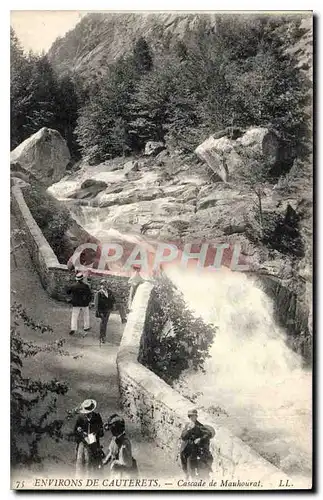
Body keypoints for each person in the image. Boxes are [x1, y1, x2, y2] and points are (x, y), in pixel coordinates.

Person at [180, 409, 215, 479]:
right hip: (186, 447)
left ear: (196, 417)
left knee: (191, 463)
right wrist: (188, 430)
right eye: (190, 416)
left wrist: (200, 439)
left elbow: (208, 434)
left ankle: (192, 477)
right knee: (183, 459)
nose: (192, 418)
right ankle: (186, 474)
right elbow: (183, 437)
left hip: (194, 448)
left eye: (194, 416)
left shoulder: (199, 426)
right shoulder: (187, 425)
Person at [74, 399, 105, 475]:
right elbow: (75, 432)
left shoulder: (97, 417)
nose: (87, 414)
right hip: (83, 443)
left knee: (94, 466)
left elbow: (101, 432)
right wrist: (79, 431)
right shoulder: (80, 418)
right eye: (86, 413)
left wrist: (96, 432)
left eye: (89, 412)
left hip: (94, 443)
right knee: (82, 464)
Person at [103, 414, 138, 478]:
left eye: (112, 430)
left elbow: (126, 463)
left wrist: (114, 463)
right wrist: (105, 461)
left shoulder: (124, 443)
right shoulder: (114, 439)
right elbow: (111, 452)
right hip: (116, 472)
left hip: (124, 474)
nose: (111, 432)